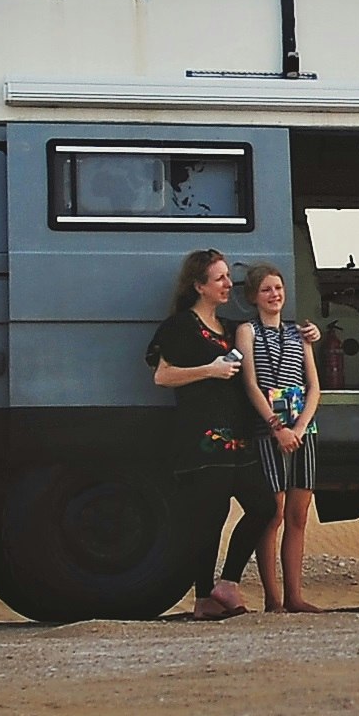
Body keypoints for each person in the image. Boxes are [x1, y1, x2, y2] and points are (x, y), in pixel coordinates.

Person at [144, 248, 263, 619]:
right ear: (199, 286)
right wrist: (208, 370)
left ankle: (225, 583)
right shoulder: (179, 326)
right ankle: (202, 599)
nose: (229, 284)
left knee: (264, 506)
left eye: (228, 276)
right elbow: (162, 376)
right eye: (220, 278)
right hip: (201, 435)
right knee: (210, 516)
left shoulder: (229, 328)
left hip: (237, 433)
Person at [232, 261, 322, 611]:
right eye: (267, 289)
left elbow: (314, 387)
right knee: (274, 511)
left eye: (279, 288)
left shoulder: (300, 333)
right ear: (254, 296)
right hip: (268, 425)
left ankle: (295, 595)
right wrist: (277, 427)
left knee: (299, 514)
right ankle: (273, 597)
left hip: (303, 426)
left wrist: (298, 428)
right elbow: (250, 384)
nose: (275, 295)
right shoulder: (247, 331)